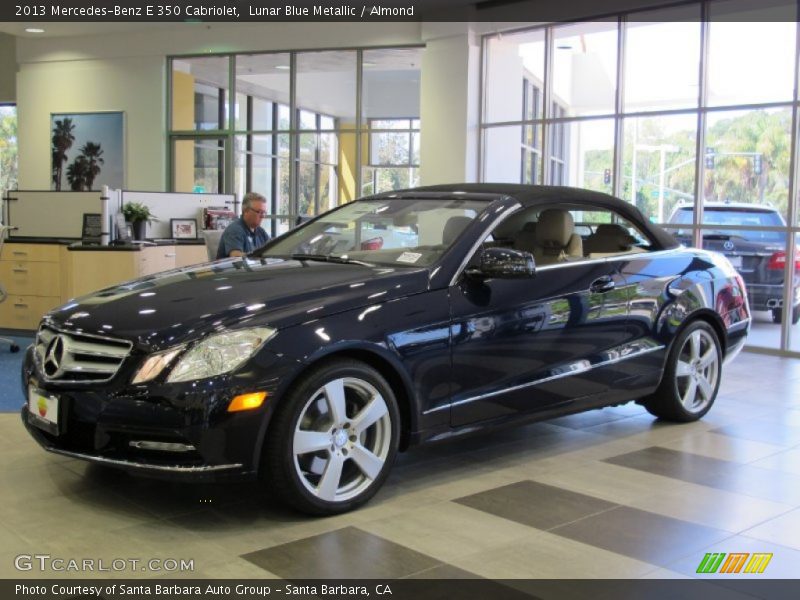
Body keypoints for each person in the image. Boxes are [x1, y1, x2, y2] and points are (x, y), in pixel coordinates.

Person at [216, 192, 270, 259]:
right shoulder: (235, 230)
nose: (263, 216)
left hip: (255, 266)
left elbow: (272, 249)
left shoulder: (260, 231)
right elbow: (236, 256)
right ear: (246, 211)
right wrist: (259, 258)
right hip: (235, 266)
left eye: (264, 212)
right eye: (259, 212)